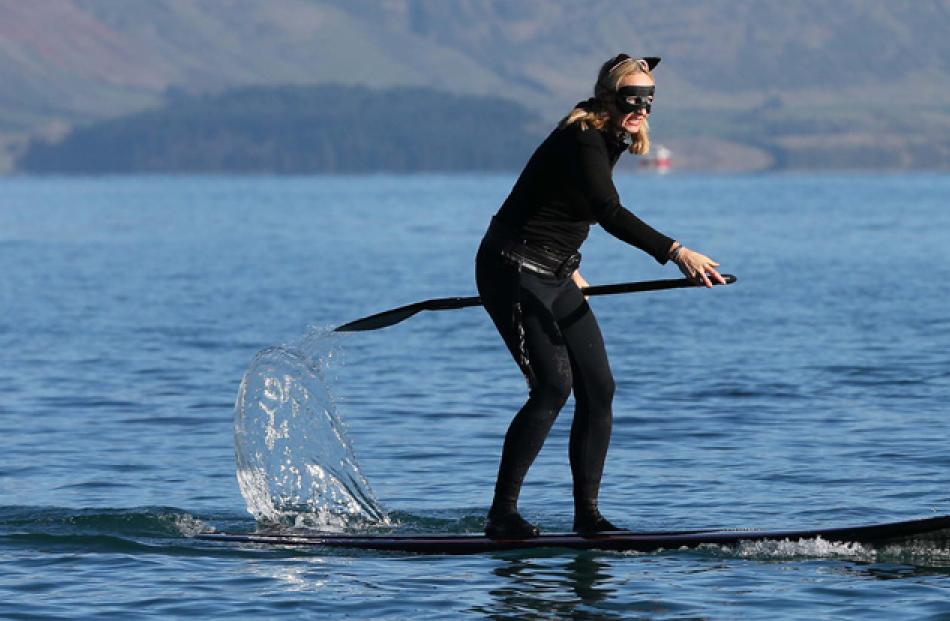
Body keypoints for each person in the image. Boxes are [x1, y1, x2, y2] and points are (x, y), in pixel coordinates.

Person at [475, 53, 726, 539]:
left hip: (556, 272)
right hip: (512, 269)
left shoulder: (613, 136)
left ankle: (587, 516)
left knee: (599, 387)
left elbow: (560, 203)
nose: (641, 111)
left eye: (648, 102)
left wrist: (573, 265)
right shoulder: (583, 137)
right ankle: (501, 514)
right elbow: (606, 211)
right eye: (632, 100)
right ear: (608, 97)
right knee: (552, 386)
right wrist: (676, 253)